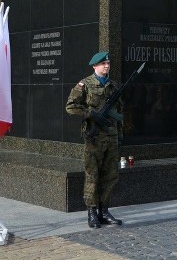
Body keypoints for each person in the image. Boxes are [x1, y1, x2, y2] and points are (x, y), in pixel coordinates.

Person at [65, 51, 123, 228]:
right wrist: (91, 114)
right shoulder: (85, 84)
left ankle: (104, 211)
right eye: (103, 63)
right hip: (94, 137)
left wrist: (119, 134)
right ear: (95, 66)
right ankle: (92, 212)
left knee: (110, 175)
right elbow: (71, 107)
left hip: (111, 136)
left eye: (108, 63)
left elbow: (120, 112)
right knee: (92, 175)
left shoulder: (113, 86)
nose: (107, 66)